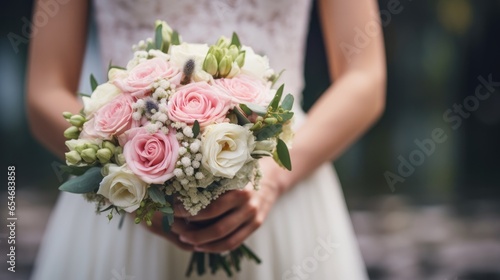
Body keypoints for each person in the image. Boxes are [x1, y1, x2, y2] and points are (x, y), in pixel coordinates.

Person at [27, 0, 386, 279]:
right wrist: (135, 186)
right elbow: (44, 91)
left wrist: (273, 179)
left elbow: (365, 77)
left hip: (287, 177)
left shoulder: (277, 177)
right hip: (128, 194)